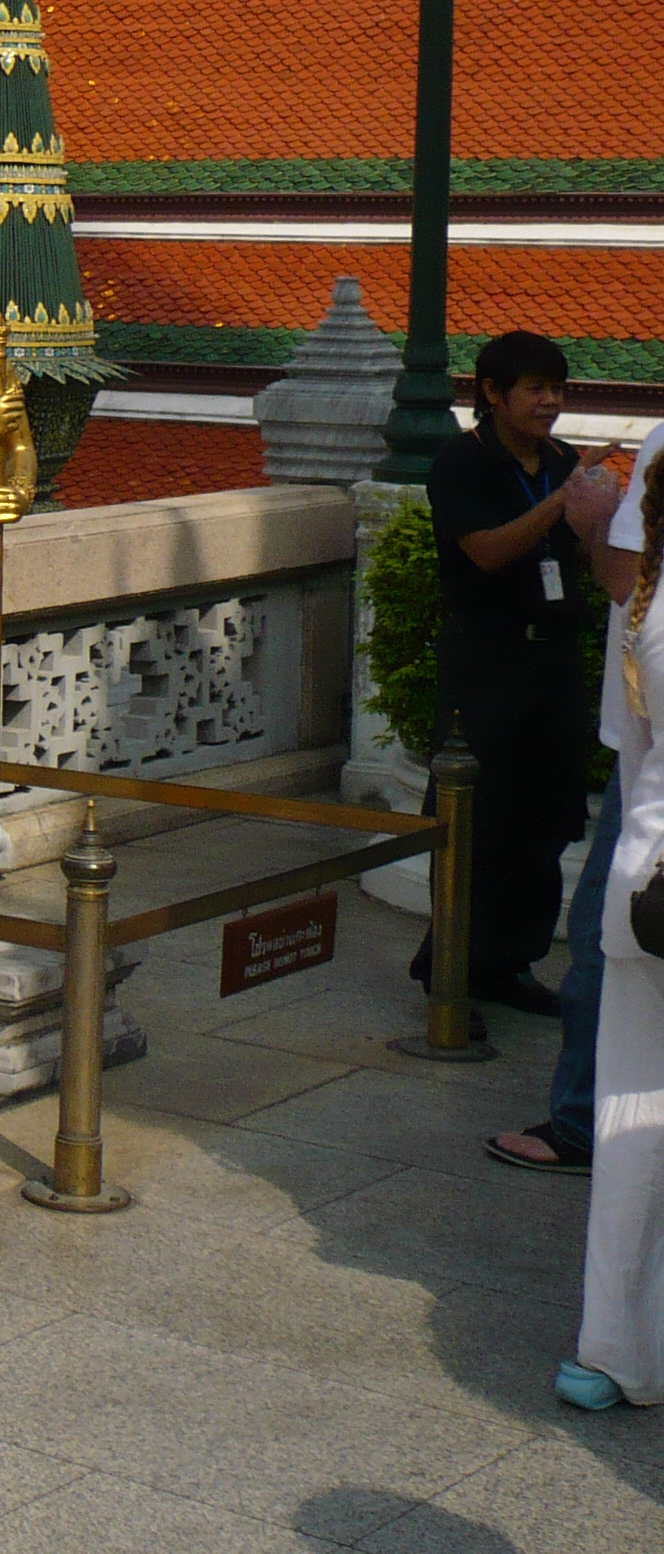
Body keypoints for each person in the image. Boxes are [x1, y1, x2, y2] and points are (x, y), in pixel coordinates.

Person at [489, 424, 651, 1174]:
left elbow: (632, 588)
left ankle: (585, 1120)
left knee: (604, 934)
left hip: (649, 751)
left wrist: (591, 522)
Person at [419, 331, 597, 1015]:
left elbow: (578, 552)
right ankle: (450, 972)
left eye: (558, 389)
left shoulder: (563, 459)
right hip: (486, 663)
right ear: (493, 393)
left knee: (545, 820)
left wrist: (601, 517)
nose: (550, 402)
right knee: (475, 823)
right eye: (535, 389)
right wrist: (559, 502)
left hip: (553, 660)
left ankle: (510, 963)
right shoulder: (461, 463)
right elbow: (487, 553)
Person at [558, 455, 664, 1410]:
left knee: (631, 1116)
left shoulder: (647, 613)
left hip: (646, 882)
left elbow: (632, 766)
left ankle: (610, 1347)